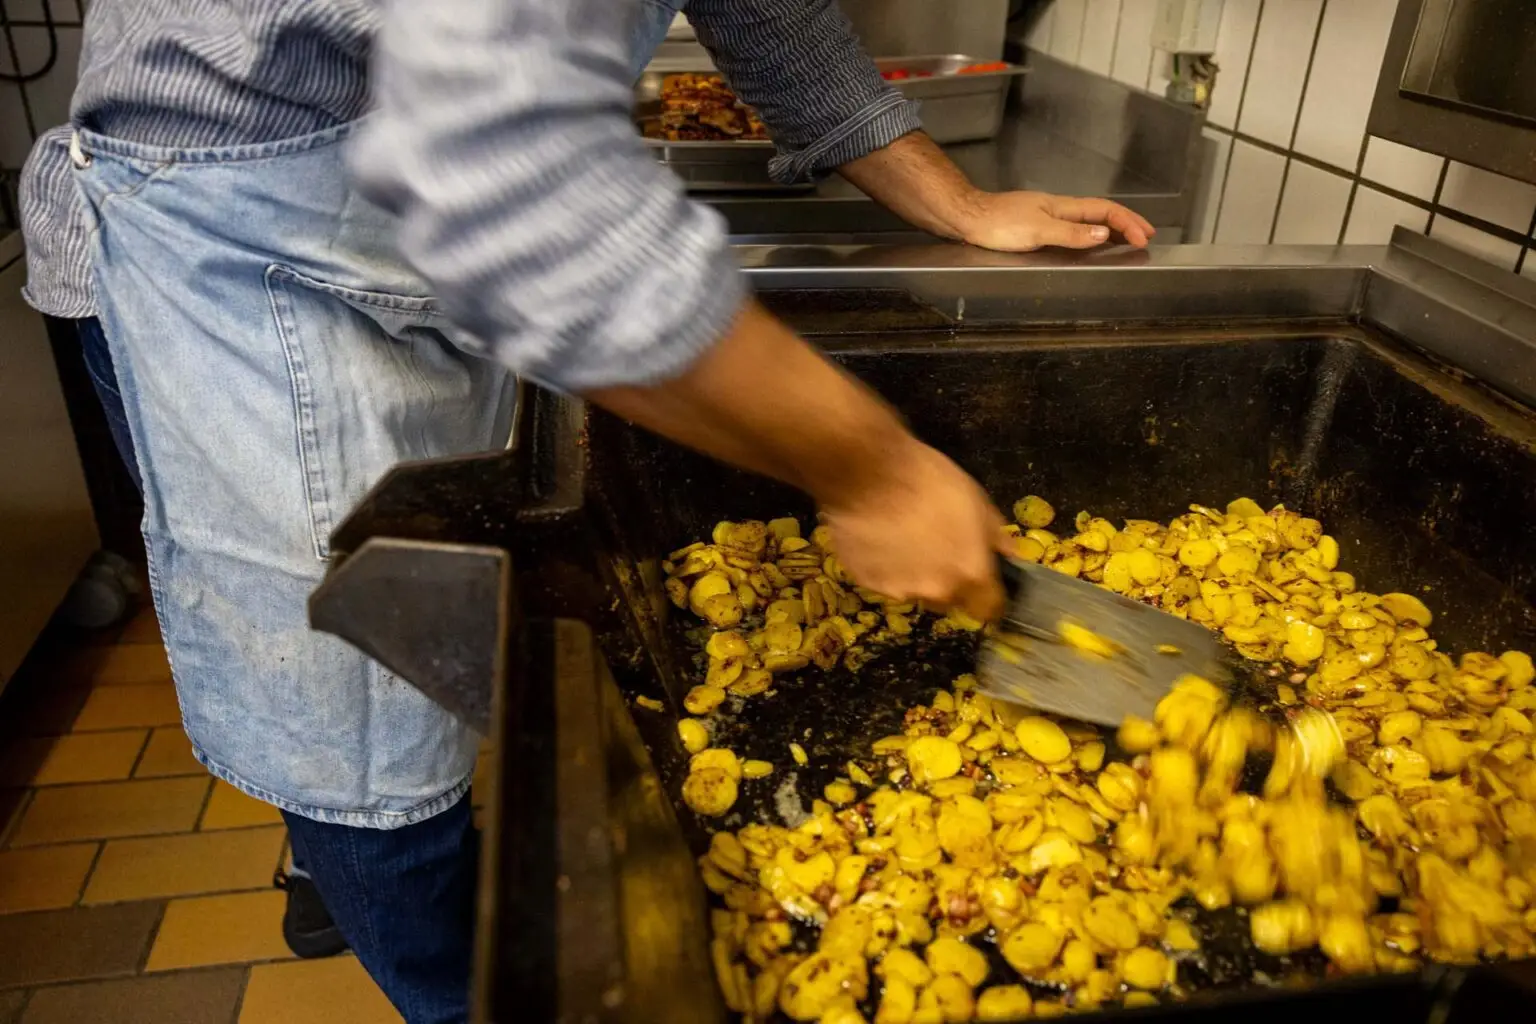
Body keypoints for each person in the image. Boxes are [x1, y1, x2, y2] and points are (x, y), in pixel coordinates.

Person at [19, 1, 1152, 1020]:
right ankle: (434, 965)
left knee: (411, 638)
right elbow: (511, 188)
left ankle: (354, 864)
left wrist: (945, 195)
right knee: (355, 741)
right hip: (243, 246)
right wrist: (878, 472)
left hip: (402, 242)